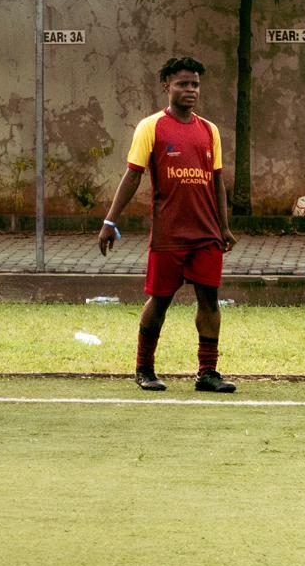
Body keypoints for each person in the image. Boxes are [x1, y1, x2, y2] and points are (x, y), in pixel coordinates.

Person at [98, 56, 238, 393]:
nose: (191, 90)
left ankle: (207, 373)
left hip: (206, 234)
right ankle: (144, 369)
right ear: (167, 87)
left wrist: (224, 226)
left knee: (210, 301)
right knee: (159, 300)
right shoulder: (152, 127)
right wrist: (109, 220)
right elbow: (133, 176)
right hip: (169, 235)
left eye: (195, 85)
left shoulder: (209, 131)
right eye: (183, 84)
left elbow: (217, 181)